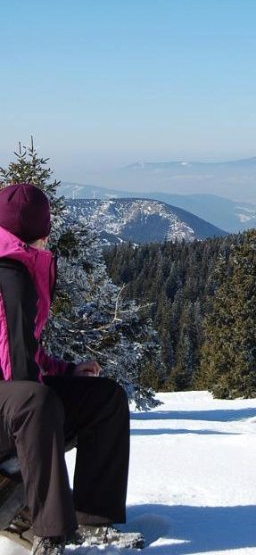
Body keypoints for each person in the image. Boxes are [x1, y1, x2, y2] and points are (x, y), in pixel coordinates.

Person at [0, 184, 143, 555]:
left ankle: (92, 519)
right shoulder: (9, 275)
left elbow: (23, 350)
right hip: (11, 410)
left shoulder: (17, 268)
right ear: (39, 232)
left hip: (11, 402)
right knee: (35, 402)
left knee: (105, 399)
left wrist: (66, 371)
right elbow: (17, 370)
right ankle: (50, 533)